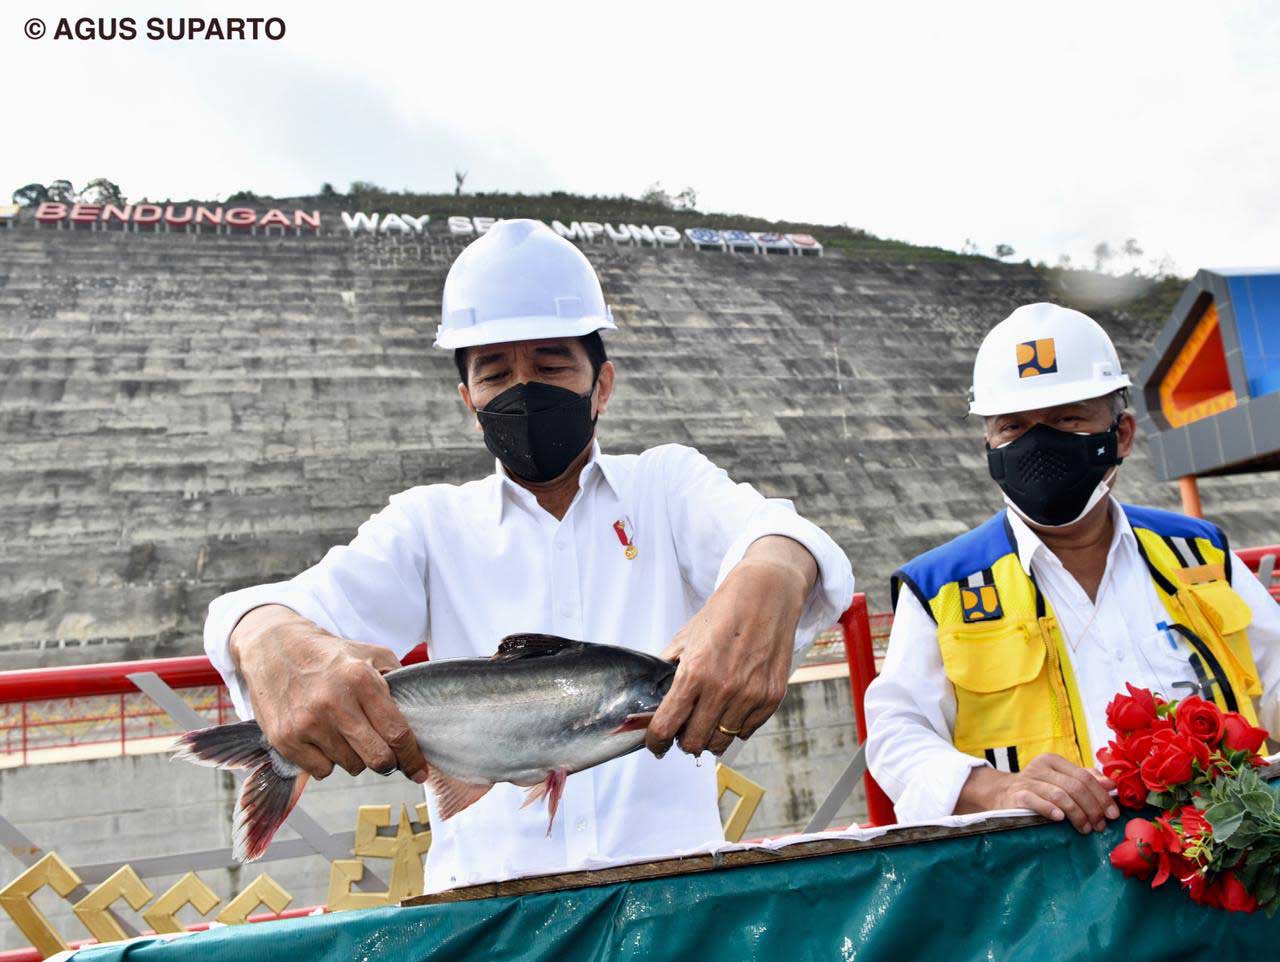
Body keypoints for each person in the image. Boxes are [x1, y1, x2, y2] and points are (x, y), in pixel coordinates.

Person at [203, 219, 854, 889]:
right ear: (469, 401)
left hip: (675, 900)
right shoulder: (428, 524)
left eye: (549, 365)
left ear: (601, 386)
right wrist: (267, 635)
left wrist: (773, 571)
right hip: (489, 916)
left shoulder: (667, 486)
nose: (523, 390)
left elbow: (782, 534)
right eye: (494, 372)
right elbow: (262, 609)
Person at [865, 302, 1280, 834]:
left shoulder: (1198, 553)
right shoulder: (942, 588)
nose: (1040, 445)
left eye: (1068, 418)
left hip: (1224, 867)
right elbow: (897, 731)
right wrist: (997, 788)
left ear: (1122, 433)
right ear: (989, 448)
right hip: (1049, 888)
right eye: (1013, 427)